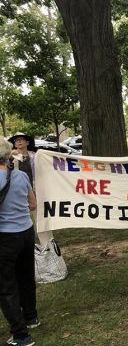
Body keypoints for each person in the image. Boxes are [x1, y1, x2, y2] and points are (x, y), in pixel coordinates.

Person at [0, 139, 39, 346]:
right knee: (25, 277)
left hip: (5, 237)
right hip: (26, 232)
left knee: (6, 286)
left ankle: (21, 335)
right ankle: (31, 317)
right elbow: (33, 204)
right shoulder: (21, 175)